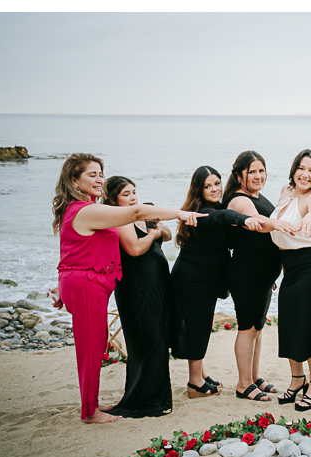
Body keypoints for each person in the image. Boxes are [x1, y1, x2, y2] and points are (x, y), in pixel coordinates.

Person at [51, 153, 205, 423]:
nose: (99, 179)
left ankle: (93, 403)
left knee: (97, 346)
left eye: (101, 173)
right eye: (92, 174)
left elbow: (75, 250)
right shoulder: (84, 210)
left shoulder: (84, 209)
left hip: (88, 284)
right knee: (91, 349)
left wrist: (62, 285)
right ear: (74, 180)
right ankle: (89, 412)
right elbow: (135, 214)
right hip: (87, 285)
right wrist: (180, 213)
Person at [170, 166, 261, 399]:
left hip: (202, 278)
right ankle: (194, 384)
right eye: (207, 185)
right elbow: (224, 217)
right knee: (197, 328)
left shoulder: (213, 207)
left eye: (217, 183)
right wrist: (245, 219)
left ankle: (200, 374)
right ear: (198, 190)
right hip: (193, 280)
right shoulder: (201, 212)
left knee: (200, 325)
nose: (214, 189)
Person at [222, 151, 298, 403]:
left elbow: (272, 214)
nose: (258, 176)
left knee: (257, 327)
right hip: (247, 272)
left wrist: (285, 197)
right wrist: (280, 224)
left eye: (261, 170)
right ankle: (243, 384)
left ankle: (253, 377)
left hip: (263, 273)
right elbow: (260, 222)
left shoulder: (256, 195)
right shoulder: (239, 200)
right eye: (252, 171)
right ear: (238, 175)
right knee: (247, 328)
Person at [269, 150, 311, 412]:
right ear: (294, 169)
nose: (305, 174)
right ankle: (297, 379)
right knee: (289, 323)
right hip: (291, 268)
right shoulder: (286, 193)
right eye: (301, 168)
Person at [101, 177, 173, 418]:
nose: (133, 197)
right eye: (126, 194)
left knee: (159, 340)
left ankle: (156, 399)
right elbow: (135, 249)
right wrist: (153, 234)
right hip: (137, 287)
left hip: (157, 286)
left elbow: (169, 233)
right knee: (146, 341)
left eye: (134, 192)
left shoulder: (140, 215)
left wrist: (154, 228)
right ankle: (142, 401)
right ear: (113, 199)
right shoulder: (120, 219)